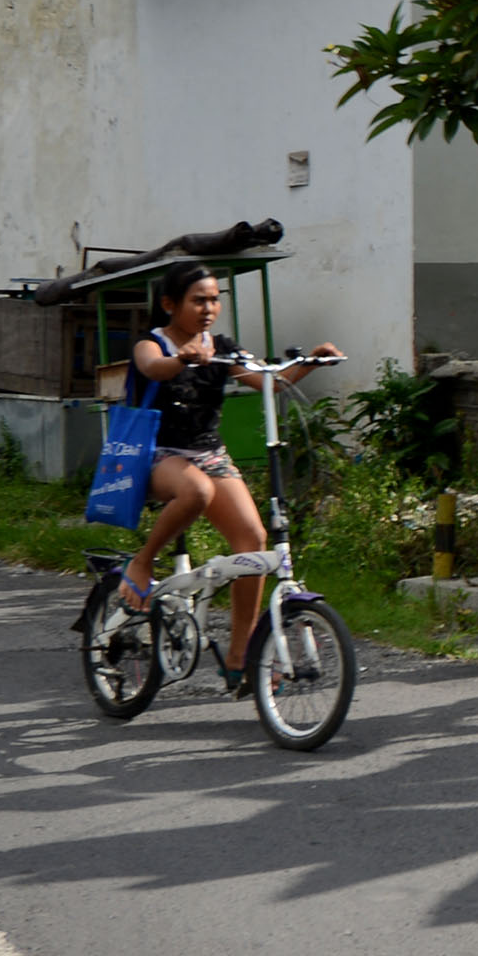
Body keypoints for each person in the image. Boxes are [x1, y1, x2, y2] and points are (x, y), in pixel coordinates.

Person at [119, 263, 335, 688]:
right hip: (158, 455)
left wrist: (311, 362)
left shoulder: (222, 347)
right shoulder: (151, 343)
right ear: (170, 304)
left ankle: (240, 657)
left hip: (209, 455)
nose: (208, 309)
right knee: (196, 491)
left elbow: (270, 382)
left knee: (253, 542)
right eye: (198, 300)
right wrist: (180, 359)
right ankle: (141, 563)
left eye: (214, 300)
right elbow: (152, 368)